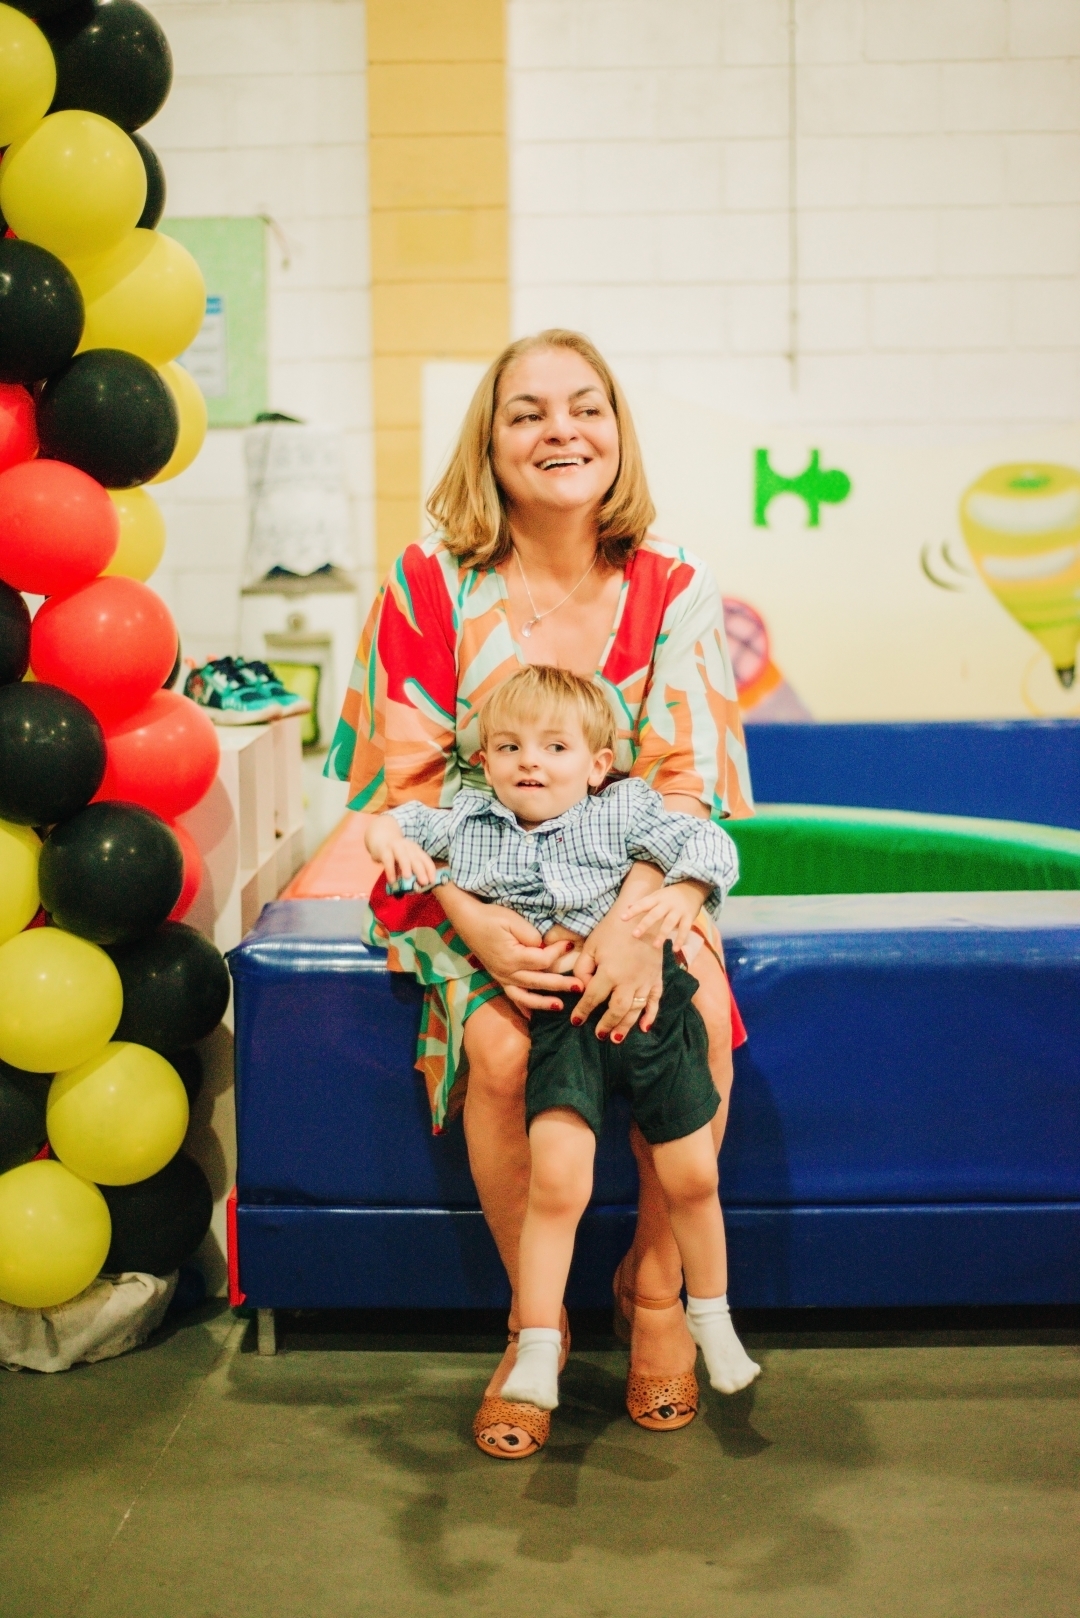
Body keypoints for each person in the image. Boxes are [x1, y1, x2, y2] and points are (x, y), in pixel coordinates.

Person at [326, 328, 754, 1458]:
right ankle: (538, 1325)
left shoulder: (675, 585)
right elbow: (395, 791)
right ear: (492, 441)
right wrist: (472, 916)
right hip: (474, 878)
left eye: (585, 407)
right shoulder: (429, 580)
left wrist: (631, 921)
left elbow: (689, 786)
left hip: (641, 876)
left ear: (616, 432)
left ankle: (655, 1296)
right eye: (528, 412)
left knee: (696, 1019)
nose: (561, 429)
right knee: (509, 1056)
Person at [365, 666, 760, 1451]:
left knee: (693, 1176)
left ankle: (702, 1315)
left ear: (598, 762)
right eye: (508, 747)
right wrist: (393, 843)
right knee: (558, 1180)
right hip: (562, 1021)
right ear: (485, 760)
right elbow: (393, 824)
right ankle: (538, 1338)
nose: (529, 763)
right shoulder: (472, 821)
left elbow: (709, 840)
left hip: (648, 1006)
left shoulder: (623, 811)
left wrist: (682, 897)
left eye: (552, 747)